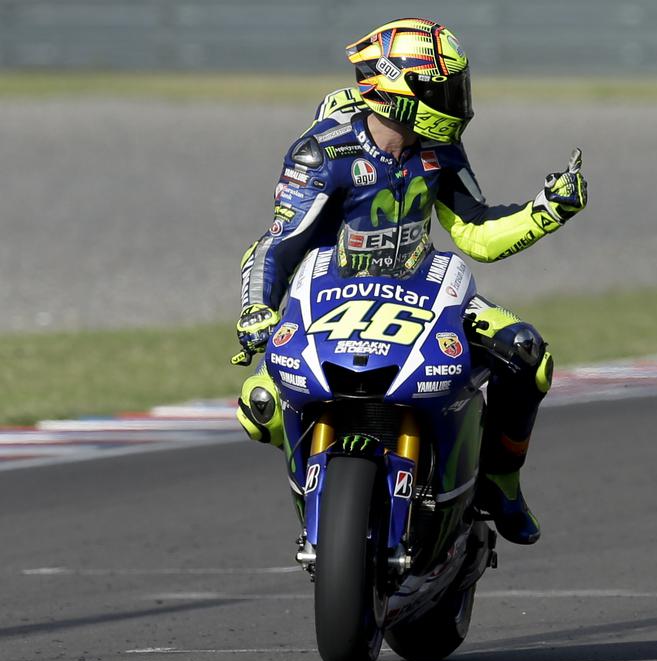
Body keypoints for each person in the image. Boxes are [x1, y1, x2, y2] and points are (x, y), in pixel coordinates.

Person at [232, 17, 587, 545]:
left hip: (422, 289)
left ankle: (499, 483)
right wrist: (258, 308)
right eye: (442, 89)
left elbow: (476, 233)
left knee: (528, 355)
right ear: (399, 90)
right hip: (328, 297)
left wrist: (545, 211)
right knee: (258, 406)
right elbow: (277, 243)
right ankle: (320, 497)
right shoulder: (323, 152)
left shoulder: (439, 151)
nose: (456, 101)